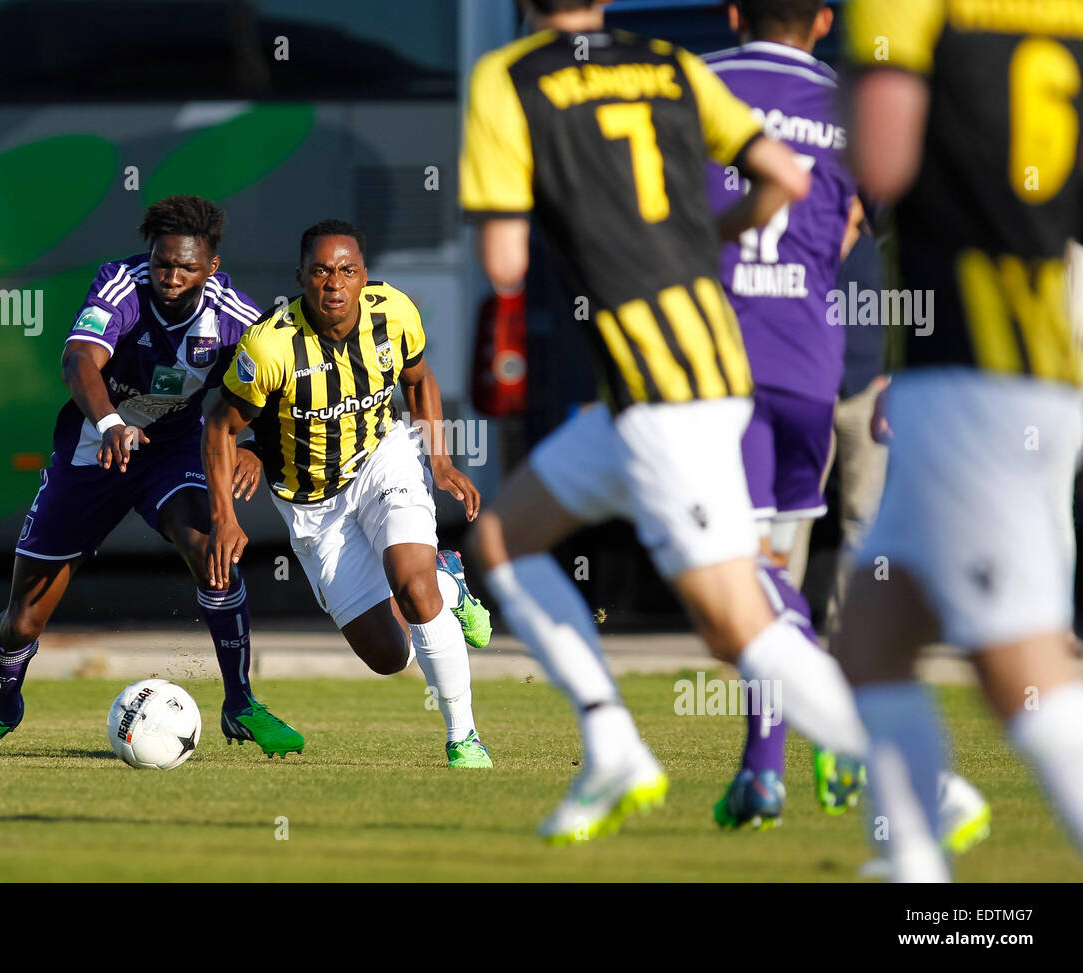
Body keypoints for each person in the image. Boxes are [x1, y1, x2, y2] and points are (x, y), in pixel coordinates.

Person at [461, 0, 877, 845]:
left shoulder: (508, 77)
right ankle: (614, 744)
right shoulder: (671, 66)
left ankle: (909, 775)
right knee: (501, 539)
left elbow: (504, 261)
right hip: (742, 362)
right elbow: (797, 186)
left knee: (735, 619)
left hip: (668, 381)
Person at [838, 0, 1083, 880]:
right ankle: (909, 867)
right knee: (873, 630)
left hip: (977, 359)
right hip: (1040, 338)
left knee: (1017, 663)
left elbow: (883, 156)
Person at [0, 195, 304, 759]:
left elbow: (274, 388)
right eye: (162, 264)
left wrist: (253, 446)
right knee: (26, 617)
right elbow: (78, 359)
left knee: (211, 548)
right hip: (96, 447)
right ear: (148, 257)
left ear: (212, 267)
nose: (172, 278)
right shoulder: (120, 284)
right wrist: (109, 421)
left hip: (172, 450)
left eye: (186, 267)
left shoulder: (237, 317)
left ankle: (240, 704)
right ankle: (2, 707)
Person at [204, 219, 495, 768]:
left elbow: (419, 380)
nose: (334, 283)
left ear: (364, 277)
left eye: (347, 270)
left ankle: (464, 738)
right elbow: (219, 426)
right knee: (389, 655)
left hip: (384, 459)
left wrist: (439, 458)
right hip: (312, 506)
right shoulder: (270, 346)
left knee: (413, 588)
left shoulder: (395, 314)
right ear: (301, 278)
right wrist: (225, 516)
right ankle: (450, 582)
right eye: (321, 271)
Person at [703, 0, 865, 829]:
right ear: (825, 21)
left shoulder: (697, 84)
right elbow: (851, 224)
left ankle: (831, 716)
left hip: (719, 364)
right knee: (771, 570)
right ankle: (761, 772)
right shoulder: (849, 101)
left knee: (732, 583)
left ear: (734, 12)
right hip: (810, 365)